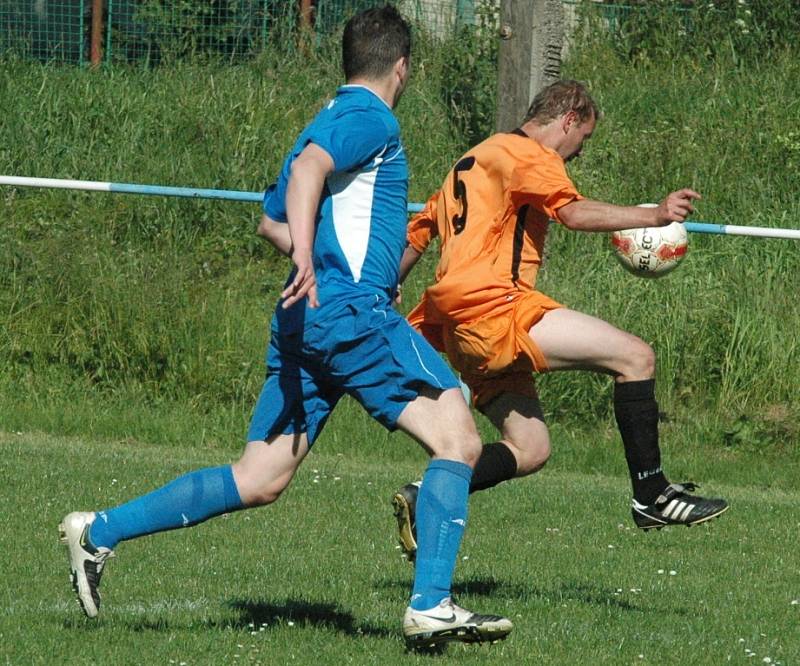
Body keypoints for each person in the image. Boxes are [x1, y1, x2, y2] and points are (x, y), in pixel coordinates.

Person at [59, 5, 512, 648]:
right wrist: (310, 256)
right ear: (402, 67)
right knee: (460, 439)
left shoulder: (322, 120)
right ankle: (432, 604)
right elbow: (305, 180)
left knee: (260, 477)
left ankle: (98, 532)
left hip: (310, 320)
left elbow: (271, 216)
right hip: (353, 315)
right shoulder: (370, 117)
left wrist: (310, 254)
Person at [391, 79, 728, 562]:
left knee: (529, 449)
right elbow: (571, 212)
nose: (579, 151)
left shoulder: (471, 159)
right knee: (635, 356)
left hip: (459, 331)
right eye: (583, 138)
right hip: (494, 311)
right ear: (568, 119)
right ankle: (652, 495)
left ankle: (425, 494)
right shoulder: (528, 154)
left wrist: (383, 288)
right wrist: (652, 215)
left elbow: (419, 233)